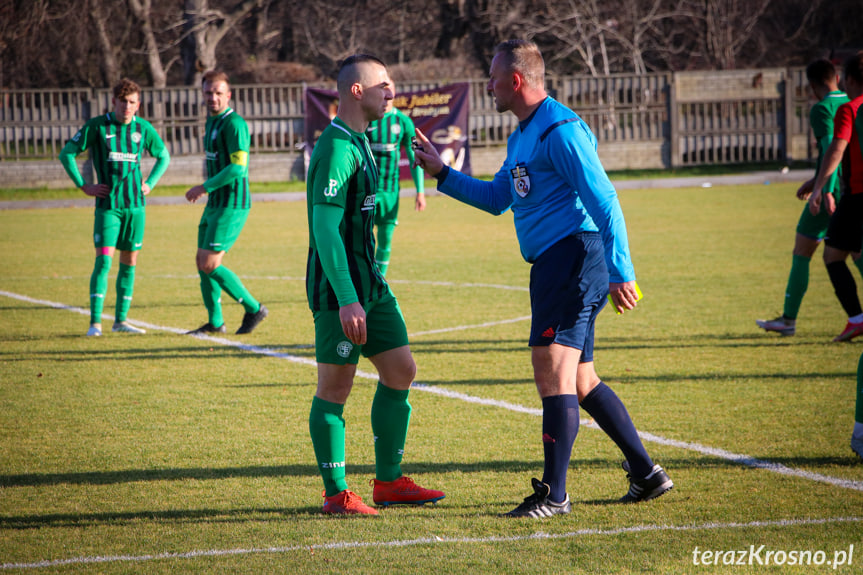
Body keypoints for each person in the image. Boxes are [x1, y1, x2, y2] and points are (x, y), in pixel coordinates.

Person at [413, 39, 672, 518]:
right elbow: (497, 199)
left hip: (574, 257)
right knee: (579, 379)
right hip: (555, 264)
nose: (487, 86)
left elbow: (605, 201)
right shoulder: (522, 136)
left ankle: (554, 494)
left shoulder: (561, 130)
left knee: (551, 368)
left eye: (492, 78)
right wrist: (442, 173)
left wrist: (621, 271)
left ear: (515, 81)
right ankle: (646, 474)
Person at [305, 54, 444, 515]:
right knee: (335, 388)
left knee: (401, 370)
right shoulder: (338, 148)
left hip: (373, 286)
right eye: (384, 84)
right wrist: (346, 299)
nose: (392, 92)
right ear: (356, 91)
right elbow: (325, 230)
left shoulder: (362, 139)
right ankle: (336, 494)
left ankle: (387, 483)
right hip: (338, 291)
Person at [59, 78, 170, 337]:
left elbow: (164, 156)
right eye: (123, 102)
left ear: (138, 104)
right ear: (113, 102)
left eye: (132, 102)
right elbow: (66, 153)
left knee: (129, 262)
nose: (127, 107)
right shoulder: (97, 126)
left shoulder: (143, 129)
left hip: (136, 208)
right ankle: (95, 324)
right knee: (103, 263)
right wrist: (84, 185)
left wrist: (150, 183)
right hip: (108, 208)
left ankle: (121, 321)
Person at [757, 59, 850, 336]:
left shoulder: (823, 109)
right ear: (836, 76)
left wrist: (825, 189)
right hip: (852, 189)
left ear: (811, 86)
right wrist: (815, 180)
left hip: (831, 193)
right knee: (852, 251)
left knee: (803, 251)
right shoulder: (853, 101)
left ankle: (788, 320)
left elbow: (832, 148)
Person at [185, 70, 268, 335]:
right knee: (202, 261)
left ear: (228, 95)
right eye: (208, 92)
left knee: (210, 263)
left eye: (218, 93)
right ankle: (216, 322)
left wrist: (203, 187)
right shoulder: (212, 122)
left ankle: (254, 308)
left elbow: (238, 168)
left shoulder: (234, 124)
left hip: (232, 203)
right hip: (216, 203)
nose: (213, 97)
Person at [800, 51, 863, 342]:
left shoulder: (851, 110)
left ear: (848, 79)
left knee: (833, 255)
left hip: (856, 194)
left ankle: (857, 318)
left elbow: (834, 149)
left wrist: (820, 188)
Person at [365, 88, 426, 276]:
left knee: (385, 239)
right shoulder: (367, 120)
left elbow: (415, 155)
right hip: (367, 191)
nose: (387, 96)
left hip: (391, 191)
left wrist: (420, 191)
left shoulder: (404, 122)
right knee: (361, 239)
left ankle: (379, 282)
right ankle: (360, 281)